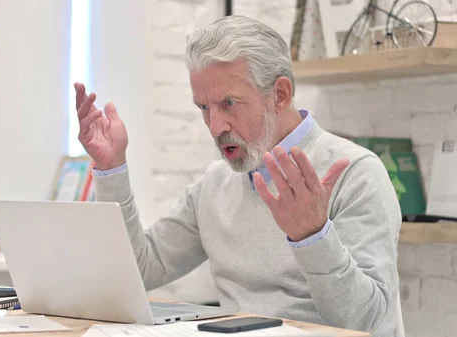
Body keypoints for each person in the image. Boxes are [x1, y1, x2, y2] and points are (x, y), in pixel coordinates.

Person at [73, 15, 401, 337]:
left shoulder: (355, 174)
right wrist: (112, 168)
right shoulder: (215, 184)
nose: (215, 126)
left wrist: (312, 236)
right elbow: (140, 269)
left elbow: (366, 322)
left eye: (229, 103)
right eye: (204, 107)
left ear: (280, 95)